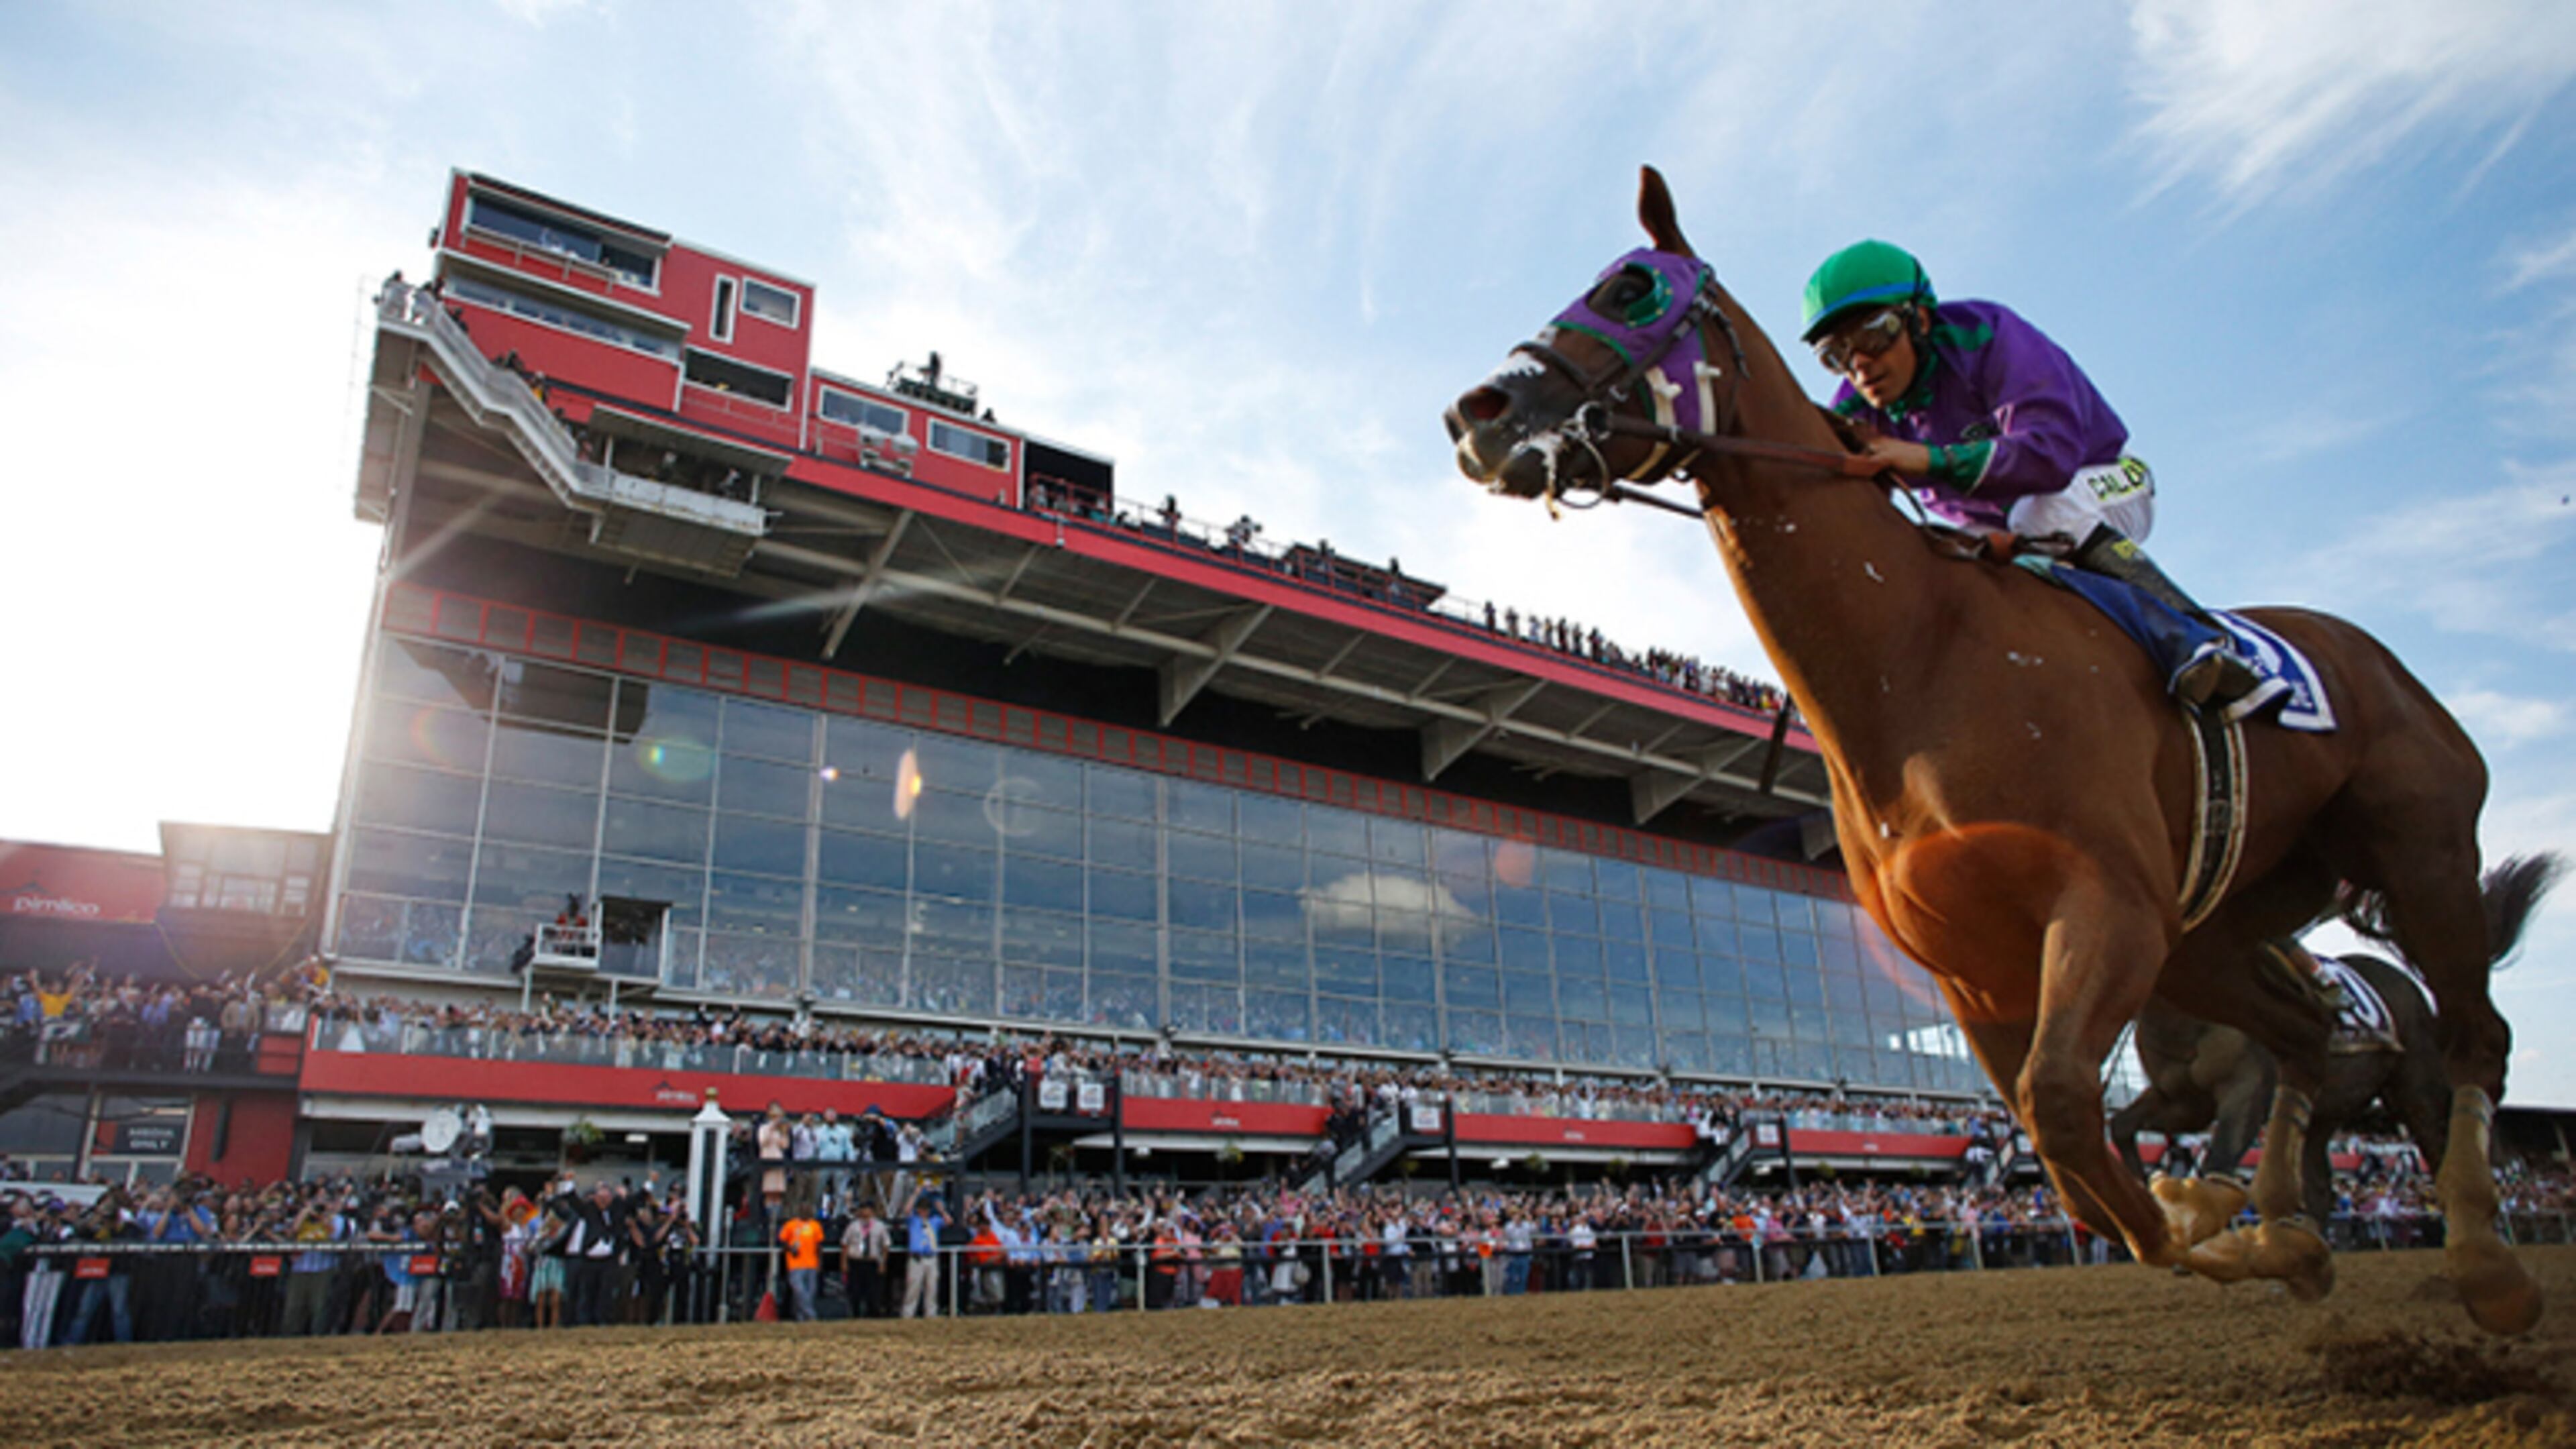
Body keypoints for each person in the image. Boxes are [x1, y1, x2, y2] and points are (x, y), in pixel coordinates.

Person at [1798, 240, 2259, 710]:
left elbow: (2051, 456)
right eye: (1835, 355)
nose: (1859, 365)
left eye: (1875, 335)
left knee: (2041, 511)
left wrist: (1928, 459)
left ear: (1918, 319)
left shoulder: (1989, 334)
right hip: (1999, 527)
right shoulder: (1854, 410)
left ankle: (2194, 637)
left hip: (2102, 479)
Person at [777, 1207, 823, 1323]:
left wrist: (819, 1262)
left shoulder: (815, 1226)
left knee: (811, 1291)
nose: (806, 1212)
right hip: (795, 1264)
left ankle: (801, 1316)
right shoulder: (791, 1225)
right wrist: (791, 1248)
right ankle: (811, 1314)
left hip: (811, 1263)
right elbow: (782, 1241)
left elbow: (819, 1246)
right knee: (799, 1289)